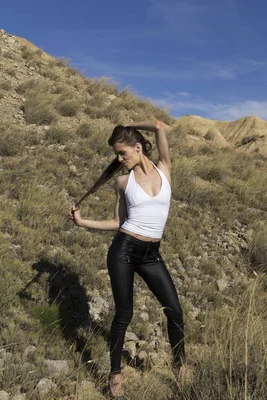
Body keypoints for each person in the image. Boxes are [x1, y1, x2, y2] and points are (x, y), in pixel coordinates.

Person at [68, 120, 186, 398]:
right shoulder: (123, 182)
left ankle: (180, 366)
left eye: (123, 153)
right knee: (124, 314)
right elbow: (116, 222)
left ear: (137, 147)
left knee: (174, 310)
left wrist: (130, 123)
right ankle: (115, 374)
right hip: (123, 250)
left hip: (151, 254)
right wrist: (83, 223)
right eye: (117, 155)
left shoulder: (164, 169)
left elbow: (158, 127)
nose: (120, 160)